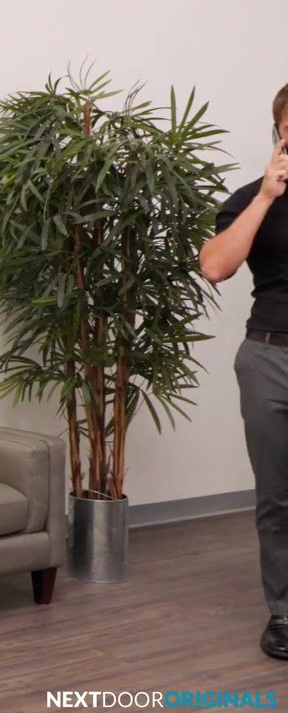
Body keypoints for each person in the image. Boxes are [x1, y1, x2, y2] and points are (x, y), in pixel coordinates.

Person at [200, 83, 288, 660]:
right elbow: (215, 266)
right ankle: (284, 613)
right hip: (269, 358)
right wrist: (265, 195)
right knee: (278, 497)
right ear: (279, 131)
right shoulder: (250, 198)